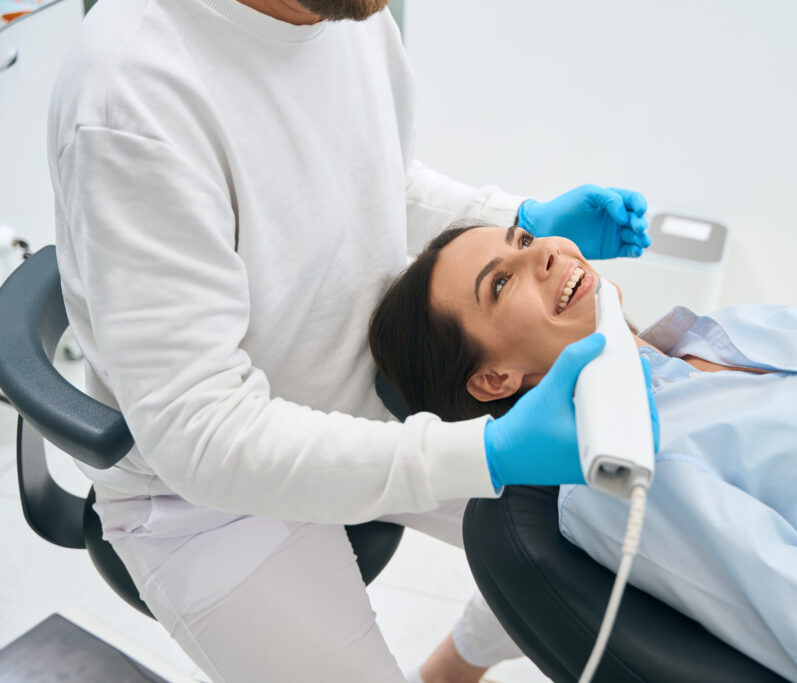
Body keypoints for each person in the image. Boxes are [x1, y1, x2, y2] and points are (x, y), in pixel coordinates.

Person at [46, 0, 657, 681]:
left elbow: (380, 177)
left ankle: (458, 660)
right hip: (201, 495)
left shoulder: (347, 10)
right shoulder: (131, 95)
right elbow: (201, 432)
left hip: (373, 397)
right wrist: (482, 451)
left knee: (636, 542)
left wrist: (510, 217)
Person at [368, 220, 797, 683]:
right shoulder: (628, 468)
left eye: (527, 239)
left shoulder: (737, 327)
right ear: (494, 379)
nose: (541, 255)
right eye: (499, 284)